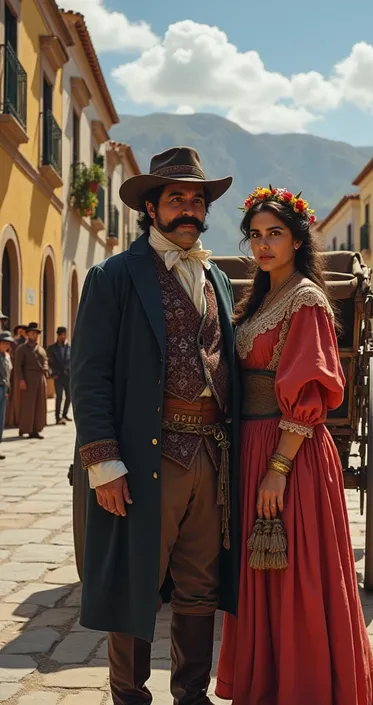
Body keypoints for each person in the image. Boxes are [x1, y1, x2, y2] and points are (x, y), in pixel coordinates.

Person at [71, 146, 240, 705]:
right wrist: (103, 461)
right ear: (152, 207)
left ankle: (192, 695)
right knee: (135, 584)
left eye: (197, 199)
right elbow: (89, 373)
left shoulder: (216, 276)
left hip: (210, 457)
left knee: (201, 586)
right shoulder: (114, 276)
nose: (189, 208)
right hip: (147, 459)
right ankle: (129, 697)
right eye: (176, 199)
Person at [216, 186, 373, 705]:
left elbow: (308, 391)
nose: (263, 245)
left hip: (289, 454)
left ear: (296, 240)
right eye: (255, 235)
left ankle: (305, 687)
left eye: (275, 234)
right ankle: (267, 682)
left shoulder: (307, 300)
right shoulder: (261, 300)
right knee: (262, 576)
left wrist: (278, 468)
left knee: (295, 574)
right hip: (252, 447)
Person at [14, 322, 49, 439]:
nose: (35, 335)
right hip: (28, 379)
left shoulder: (41, 349)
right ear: (28, 334)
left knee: (40, 405)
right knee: (28, 405)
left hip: (40, 379)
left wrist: (46, 372)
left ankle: (36, 429)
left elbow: (45, 362)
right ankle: (26, 428)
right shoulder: (22, 349)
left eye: (37, 333)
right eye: (33, 333)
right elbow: (18, 366)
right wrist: (21, 380)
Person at [47, 327, 71, 425]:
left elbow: (72, 361)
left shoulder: (69, 348)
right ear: (58, 335)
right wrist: (52, 373)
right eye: (61, 335)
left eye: (64, 334)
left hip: (68, 376)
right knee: (59, 397)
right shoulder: (52, 348)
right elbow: (48, 362)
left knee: (69, 397)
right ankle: (58, 417)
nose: (63, 337)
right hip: (58, 376)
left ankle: (64, 414)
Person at [5, 324, 26, 429]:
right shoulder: (13, 343)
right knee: (12, 395)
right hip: (12, 372)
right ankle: (11, 419)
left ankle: (18, 419)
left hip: (20, 371)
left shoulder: (24, 342)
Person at [0, 331, 14, 460]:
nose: (6, 345)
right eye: (4, 343)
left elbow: (8, 374)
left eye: (7, 343)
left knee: (1, 420)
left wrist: (8, 390)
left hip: (4, 389)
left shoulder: (7, 357)